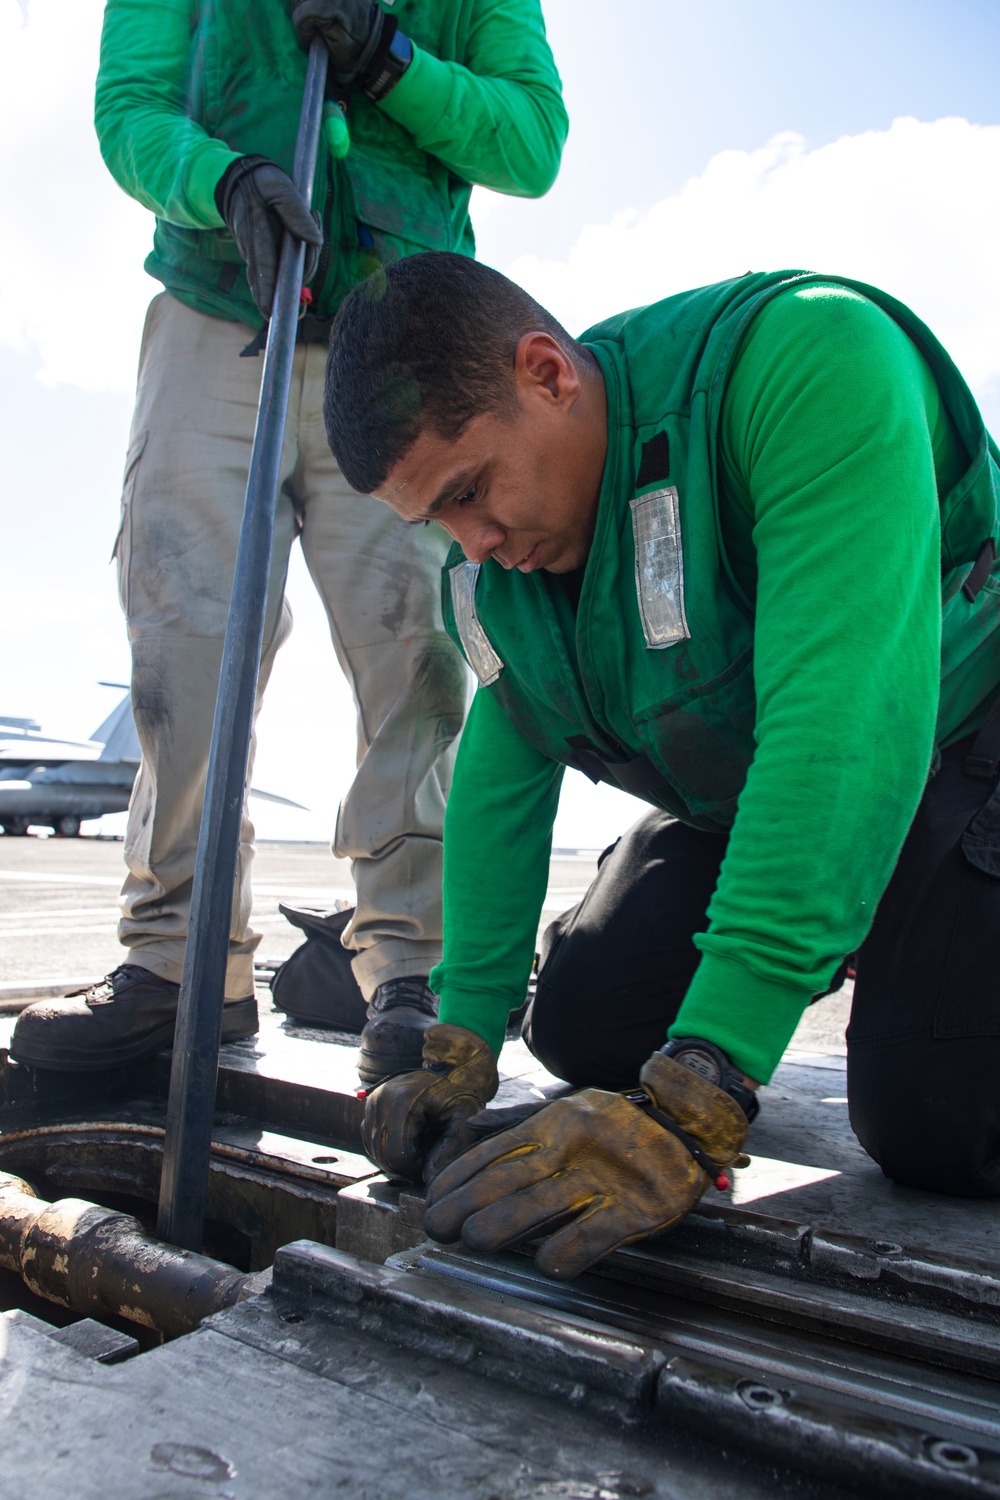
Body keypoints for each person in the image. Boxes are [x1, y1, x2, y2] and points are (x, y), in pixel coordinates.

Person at [324, 251, 1000, 1280]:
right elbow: (497, 792)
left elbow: (844, 724)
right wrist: (460, 1047)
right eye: (438, 522)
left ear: (548, 373)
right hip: (773, 792)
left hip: (964, 745)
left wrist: (704, 1083)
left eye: (470, 490)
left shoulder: (810, 355)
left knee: (934, 1115)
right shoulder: (497, 567)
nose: (475, 543)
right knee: (587, 1024)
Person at [9, 1, 567, 1084]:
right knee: (184, 635)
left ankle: (413, 972)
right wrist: (219, 182)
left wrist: (388, 58)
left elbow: (528, 142)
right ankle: (178, 966)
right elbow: (133, 108)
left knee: (419, 650)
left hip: (401, 332)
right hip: (222, 306)